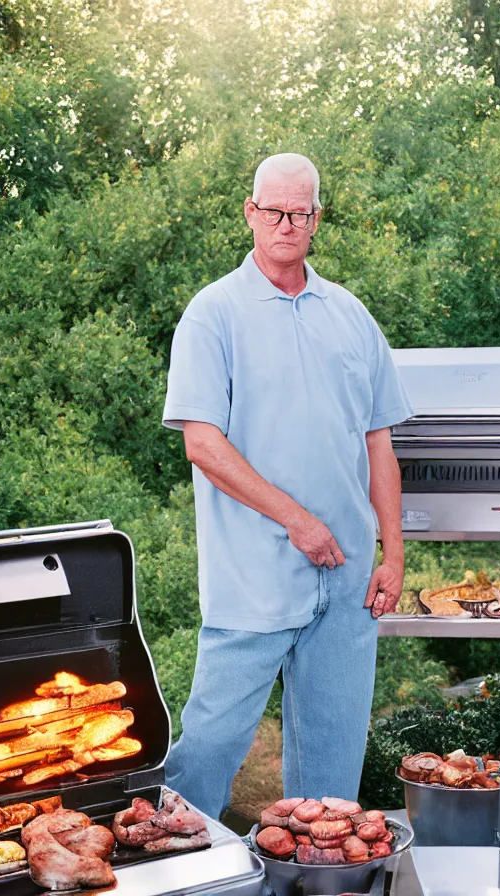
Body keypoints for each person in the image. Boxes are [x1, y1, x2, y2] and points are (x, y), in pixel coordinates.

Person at [162, 152, 411, 820]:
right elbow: (203, 444)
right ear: (250, 212)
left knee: (332, 769)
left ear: (316, 219)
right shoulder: (213, 314)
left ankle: (315, 884)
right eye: (273, 210)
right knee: (208, 748)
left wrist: (393, 552)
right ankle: (180, 879)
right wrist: (295, 519)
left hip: (348, 578)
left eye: (300, 212)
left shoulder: (351, 316)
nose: (286, 224)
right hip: (255, 575)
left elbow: (379, 441)